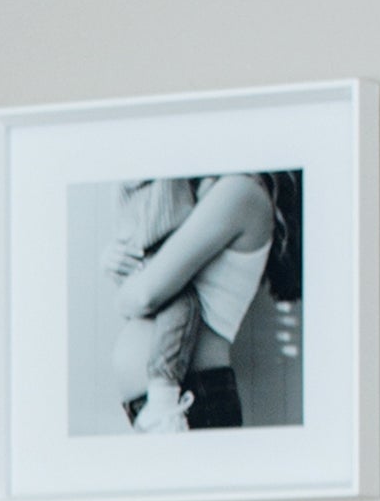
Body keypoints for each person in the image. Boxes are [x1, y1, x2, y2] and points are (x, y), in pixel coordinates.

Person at [107, 167, 277, 431]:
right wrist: (115, 260)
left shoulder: (239, 190)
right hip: (172, 403)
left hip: (193, 400)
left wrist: (127, 290)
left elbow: (144, 296)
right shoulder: (199, 191)